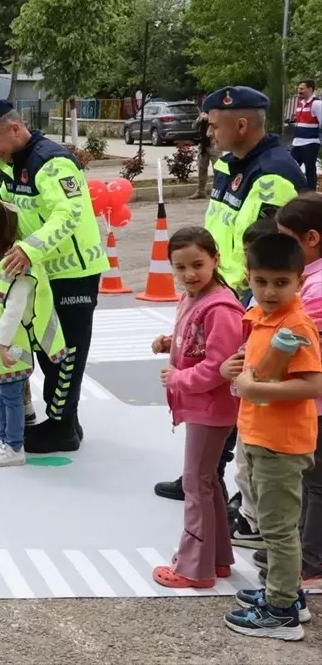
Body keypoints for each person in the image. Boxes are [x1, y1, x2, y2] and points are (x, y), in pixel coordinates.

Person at [155, 86, 307, 502]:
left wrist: (248, 299)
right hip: (221, 289)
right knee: (220, 385)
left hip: (247, 297)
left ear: (242, 124)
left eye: (214, 125)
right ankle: (205, 473)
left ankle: (238, 490)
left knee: (237, 386)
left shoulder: (273, 175)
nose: (209, 132)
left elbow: (268, 250)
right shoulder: (229, 164)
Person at [0, 99, 107, 453]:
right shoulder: (12, 163)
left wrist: (30, 249)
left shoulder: (52, 162)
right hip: (42, 272)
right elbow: (11, 210)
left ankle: (62, 427)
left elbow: (69, 213)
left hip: (72, 273)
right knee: (46, 348)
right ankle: (63, 421)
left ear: (15, 129)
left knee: (65, 352)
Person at [220, 232, 320, 640]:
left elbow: (314, 383)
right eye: (261, 281)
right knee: (275, 522)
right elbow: (255, 364)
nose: (270, 291)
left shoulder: (295, 324)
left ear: (299, 281)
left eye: (281, 282)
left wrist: (255, 388)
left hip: (281, 442)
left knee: (277, 529)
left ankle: (280, 612)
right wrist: (236, 368)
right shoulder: (262, 316)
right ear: (248, 277)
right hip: (261, 435)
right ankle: (289, 594)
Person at [149, 227, 243, 589]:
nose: (189, 274)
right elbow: (200, 343)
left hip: (211, 407)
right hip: (205, 405)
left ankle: (194, 568)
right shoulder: (195, 297)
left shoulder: (220, 307)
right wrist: (170, 343)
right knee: (206, 480)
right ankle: (216, 559)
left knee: (195, 483)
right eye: (181, 267)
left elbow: (219, 366)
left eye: (197, 265)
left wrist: (178, 379)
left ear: (215, 260)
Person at [0, 200, 74, 468]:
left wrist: (2, 345)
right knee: (3, 397)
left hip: (10, 346)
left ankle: (14, 446)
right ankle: (4, 440)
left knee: (11, 398)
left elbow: (14, 309)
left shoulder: (17, 265)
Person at [274, 194, 322, 591]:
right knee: (308, 478)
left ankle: (310, 558)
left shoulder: (315, 287)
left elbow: (294, 340)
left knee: (315, 479)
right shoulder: (308, 278)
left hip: (314, 399)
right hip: (307, 398)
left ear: (311, 238)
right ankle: (299, 548)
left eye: (286, 239)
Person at [286, 80, 321, 189]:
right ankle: (293, 189)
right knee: (290, 166)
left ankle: (311, 194)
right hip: (297, 142)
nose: (299, 91)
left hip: (310, 142)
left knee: (310, 169)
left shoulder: (316, 104)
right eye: (298, 88)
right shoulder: (300, 103)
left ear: (310, 89)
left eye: (302, 88)